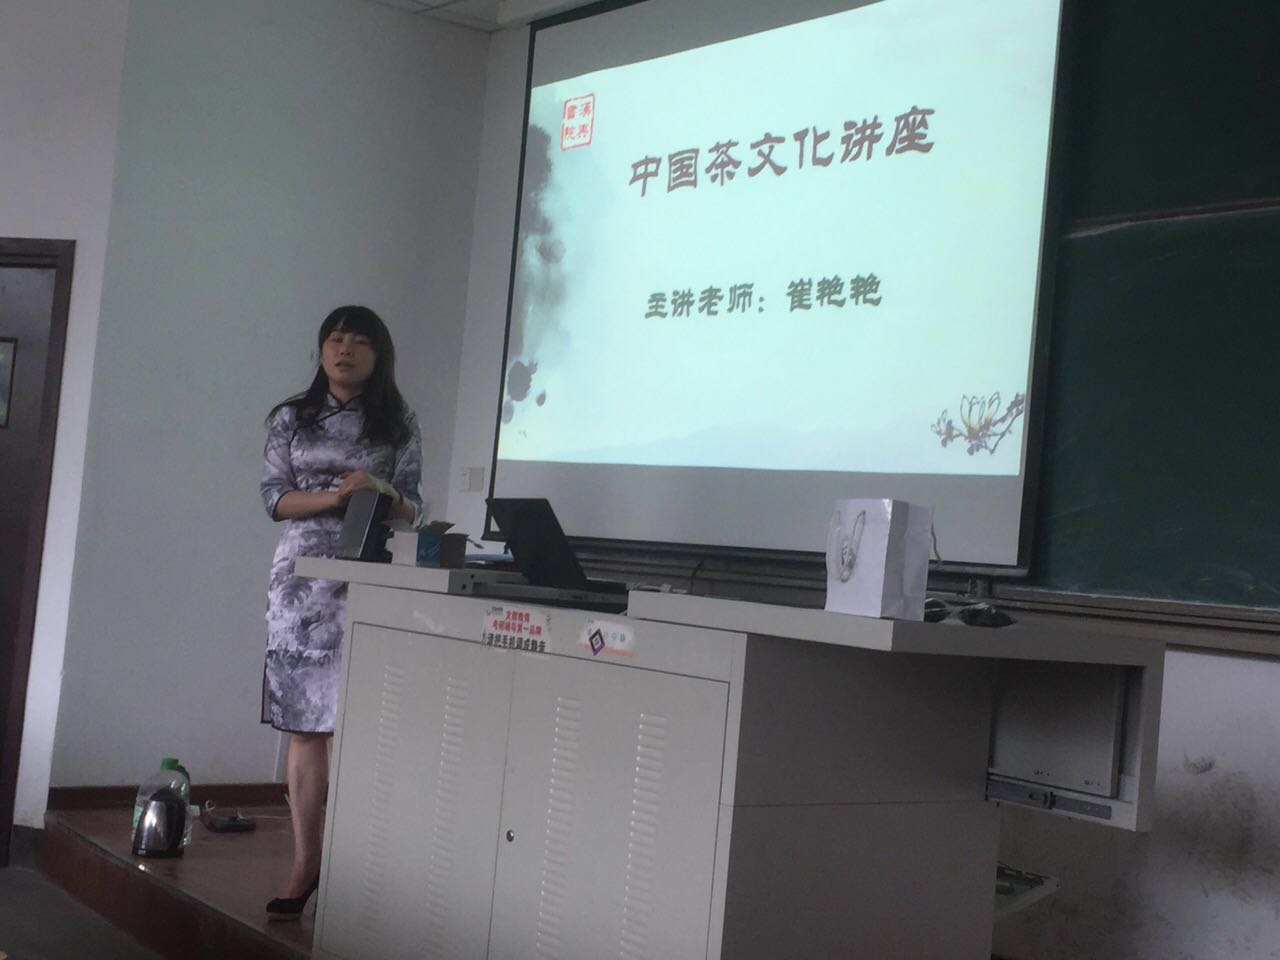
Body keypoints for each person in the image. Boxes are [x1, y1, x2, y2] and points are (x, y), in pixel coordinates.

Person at [258, 305, 422, 919]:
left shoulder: (398, 423)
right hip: (301, 586)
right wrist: (336, 497)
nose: (344, 349)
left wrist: (380, 491)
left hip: (370, 578)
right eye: (334, 339)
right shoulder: (291, 417)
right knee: (305, 727)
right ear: (321, 350)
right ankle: (306, 865)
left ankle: (362, 870)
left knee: (361, 724)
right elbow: (274, 498)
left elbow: (415, 509)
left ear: (379, 355)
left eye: (358, 341)